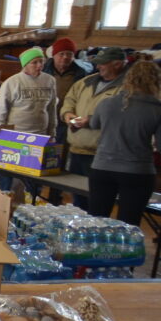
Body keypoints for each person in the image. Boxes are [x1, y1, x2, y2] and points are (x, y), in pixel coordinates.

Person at [87, 61, 161, 225]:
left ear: (128, 79)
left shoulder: (107, 103)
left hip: (102, 167)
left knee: (96, 222)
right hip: (138, 171)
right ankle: (123, 251)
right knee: (129, 225)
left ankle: (96, 251)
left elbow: (93, 124)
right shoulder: (159, 110)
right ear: (155, 82)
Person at [61, 46, 127, 206]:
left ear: (117, 64)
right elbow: (69, 100)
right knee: (78, 199)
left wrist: (90, 120)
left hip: (102, 155)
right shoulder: (85, 82)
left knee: (98, 201)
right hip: (77, 150)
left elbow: (123, 116)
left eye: (103, 63)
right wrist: (67, 114)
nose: (98, 67)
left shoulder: (126, 87)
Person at [0, 47, 57, 136]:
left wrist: (52, 133)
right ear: (25, 65)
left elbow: (52, 109)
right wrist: (1, 136)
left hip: (41, 134)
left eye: (41, 61)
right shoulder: (12, 82)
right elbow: (0, 111)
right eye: (34, 62)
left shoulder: (50, 80)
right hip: (17, 134)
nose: (39, 65)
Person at [44, 37, 89, 150]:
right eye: (61, 54)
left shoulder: (80, 74)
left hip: (66, 119)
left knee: (60, 151)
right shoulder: (43, 70)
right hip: (45, 117)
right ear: (54, 55)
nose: (65, 57)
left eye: (69, 54)